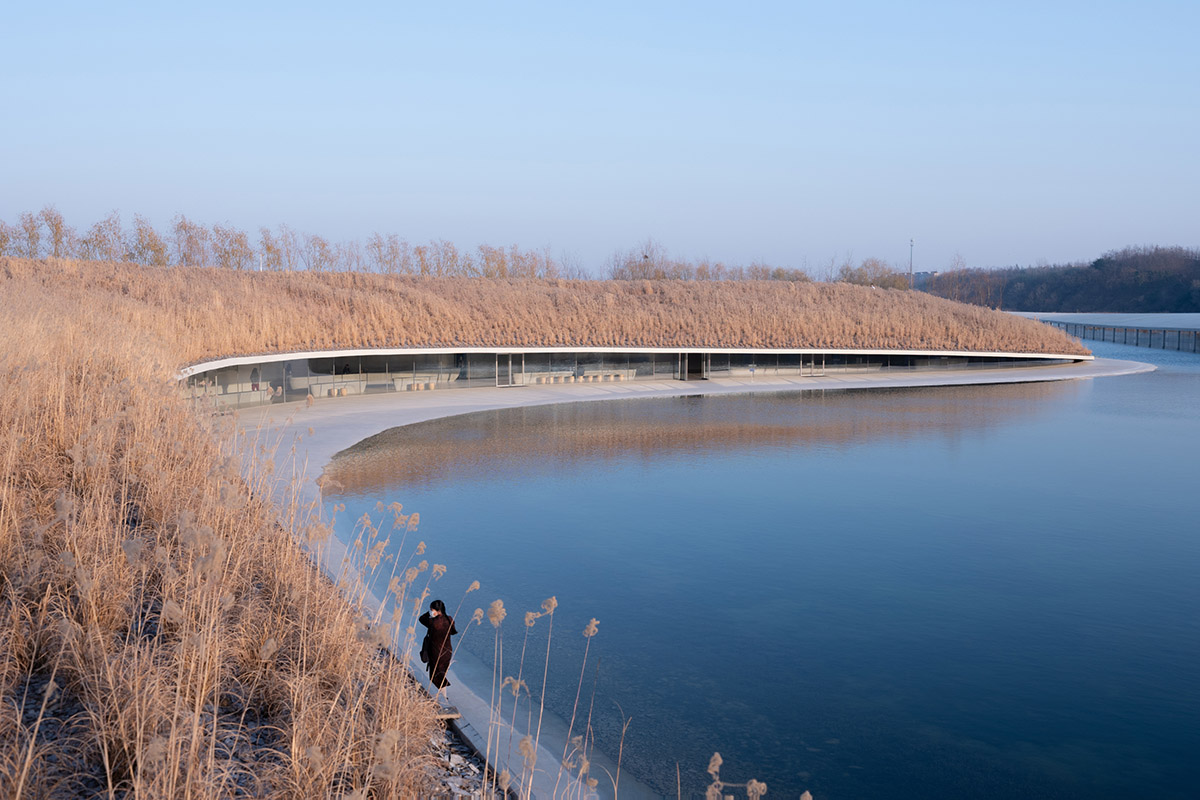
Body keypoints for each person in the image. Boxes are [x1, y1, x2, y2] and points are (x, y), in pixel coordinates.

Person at [419, 599, 458, 691]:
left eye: (431, 609)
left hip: (436, 653)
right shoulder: (449, 619)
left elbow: (421, 619)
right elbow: (452, 632)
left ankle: (441, 698)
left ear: (436, 610)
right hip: (447, 652)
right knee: (441, 674)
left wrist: (429, 614)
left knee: (435, 676)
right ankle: (443, 696)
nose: (431, 611)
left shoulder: (433, 622)